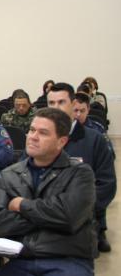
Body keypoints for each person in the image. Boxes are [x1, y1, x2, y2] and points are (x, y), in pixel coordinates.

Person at [0, 108, 97, 276]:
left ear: (61, 142)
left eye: (42, 133)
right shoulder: (9, 175)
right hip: (23, 260)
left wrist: (22, 205)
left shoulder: (80, 173)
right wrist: (50, 216)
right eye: (32, 130)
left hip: (68, 261)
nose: (32, 136)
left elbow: (69, 218)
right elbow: (1, 225)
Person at [48, 82, 115, 253]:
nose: (56, 108)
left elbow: (106, 185)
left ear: (73, 105)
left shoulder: (95, 140)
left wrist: (76, 211)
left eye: (61, 102)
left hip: (81, 221)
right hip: (45, 220)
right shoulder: (38, 138)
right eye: (51, 103)